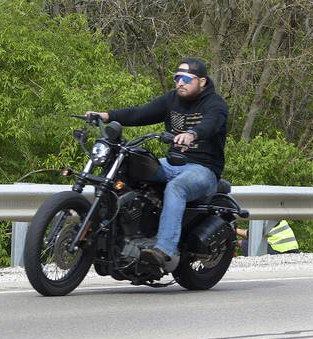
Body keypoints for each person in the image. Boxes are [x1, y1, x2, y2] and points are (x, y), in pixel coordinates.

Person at [86, 57, 228, 271]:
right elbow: (139, 112)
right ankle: (123, 236)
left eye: (186, 79)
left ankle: (164, 250)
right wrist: (105, 116)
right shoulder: (172, 100)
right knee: (129, 167)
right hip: (171, 164)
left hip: (203, 169)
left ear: (202, 81)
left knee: (177, 187)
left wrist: (192, 133)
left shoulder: (215, 104)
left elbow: (211, 123)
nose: (180, 82)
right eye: (177, 77)